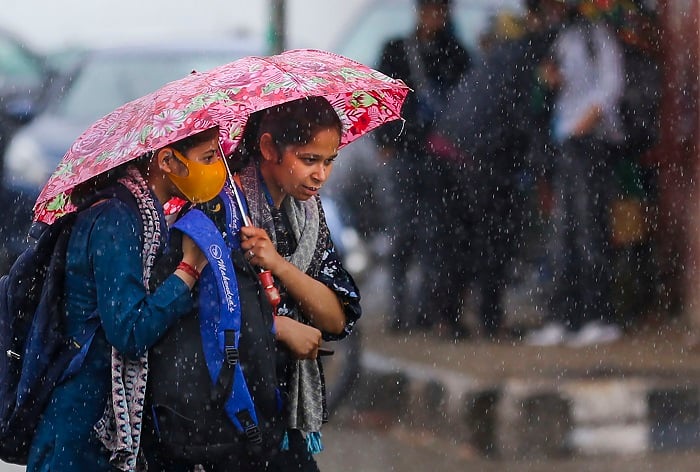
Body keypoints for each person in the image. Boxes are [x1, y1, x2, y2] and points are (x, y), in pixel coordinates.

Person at [27, 127, 225, 471]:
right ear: (167, 160)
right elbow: (130, 331)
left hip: (92, 415)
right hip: (81, 423)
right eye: (207, 158)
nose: (216, 168)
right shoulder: (117, 220)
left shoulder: (144, 215)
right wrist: (188, 269)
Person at [229, 96, 362, 471]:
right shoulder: (227, 210)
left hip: (285, 410)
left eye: (329, 161)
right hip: (235, 408)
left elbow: (336, 318)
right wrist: (276, 327)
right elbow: (208, 316)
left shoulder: (308, 216)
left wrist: (279, 266)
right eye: (309, 160)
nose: (321, 175)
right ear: (269, 147)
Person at [436, 0, 566, 341]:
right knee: (494, 239)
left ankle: (448, 317)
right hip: (480, 157)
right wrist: (544, 170)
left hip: (455, 148)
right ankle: (489, 321)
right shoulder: (531, 63)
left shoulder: (509, 54)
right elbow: (527, 121)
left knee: (462, 239)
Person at [525, 0, 626, 347]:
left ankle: (598, 315)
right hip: (565, 145)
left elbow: (612, 85)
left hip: (591, 144)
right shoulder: (559, 39)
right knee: (563, 234)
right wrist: (549, 83)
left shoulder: (596, 37)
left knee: (590, 230)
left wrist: (588, 118)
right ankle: (563, 317)